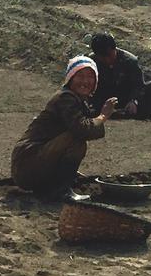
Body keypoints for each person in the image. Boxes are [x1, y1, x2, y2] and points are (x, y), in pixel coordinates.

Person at [11, 56, 117, 197]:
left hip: (29, 165)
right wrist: (103, 116)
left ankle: (55, 185)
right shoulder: (66, 98)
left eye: (90, 77)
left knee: (74, 138)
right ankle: (61, 191)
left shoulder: (76, 99)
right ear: (71, 78)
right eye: (80, 76)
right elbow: (82, 129)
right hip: (27, 165)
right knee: (76, 140)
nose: (85, 81)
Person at [89, 32, 151, 120]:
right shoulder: (91, 62)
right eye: (102, 57)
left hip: (126, 99)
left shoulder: (129, 60)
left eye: (109, 55)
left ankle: (138, 114)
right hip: (103, 100)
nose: (107, 60)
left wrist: (134, 101)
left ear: (115, 49)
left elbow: (139, 85)